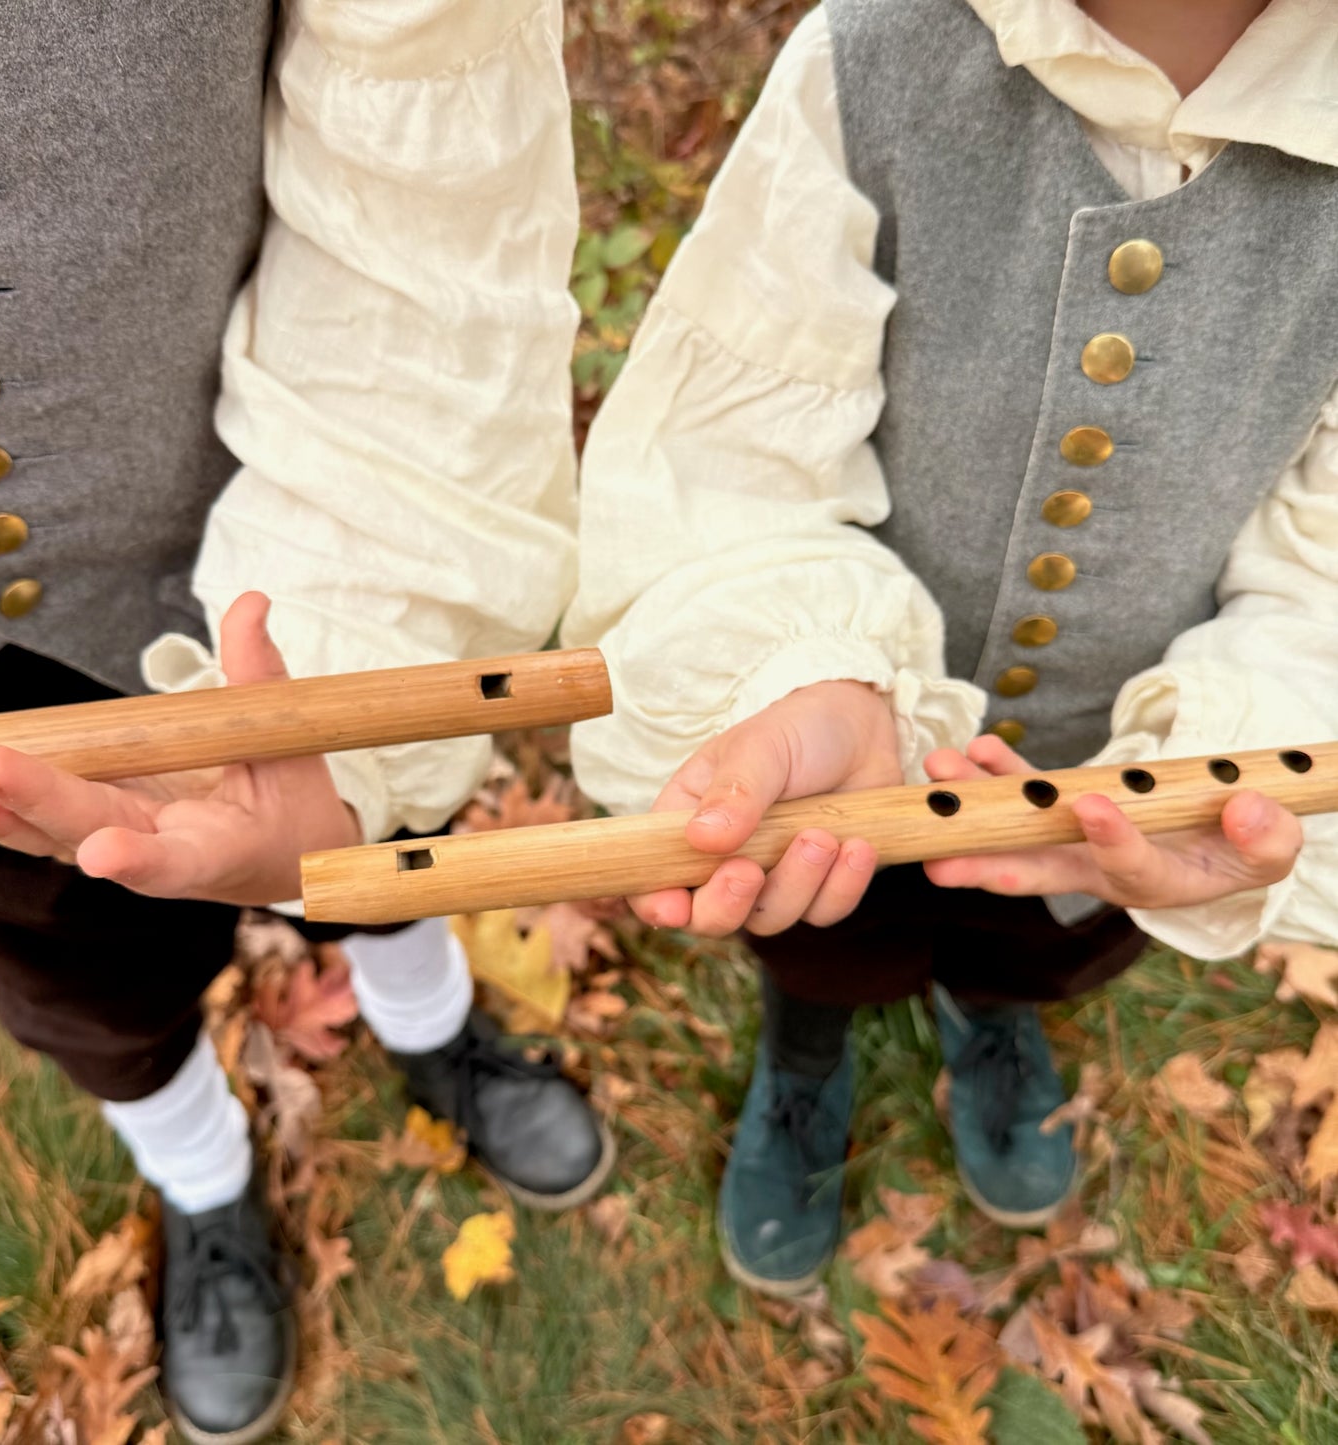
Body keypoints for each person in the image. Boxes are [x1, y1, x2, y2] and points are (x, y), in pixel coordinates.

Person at [0, 2, 611, 1439]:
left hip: (270, 533)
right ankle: (202, 1180)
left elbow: (426, 221)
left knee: (368, 853)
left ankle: (433, 1025)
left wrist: (368, 654)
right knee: (77, 967)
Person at [565, 0, 1338, 1298]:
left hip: (1105, 774)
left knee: (1037, 938)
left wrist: (1223, 753)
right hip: (844, 759)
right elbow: (737, 455)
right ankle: (806, 1059)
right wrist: (800, 664)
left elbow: (1323, 562)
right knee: (821, 931)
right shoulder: (871, 61)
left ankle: (993, 1023)